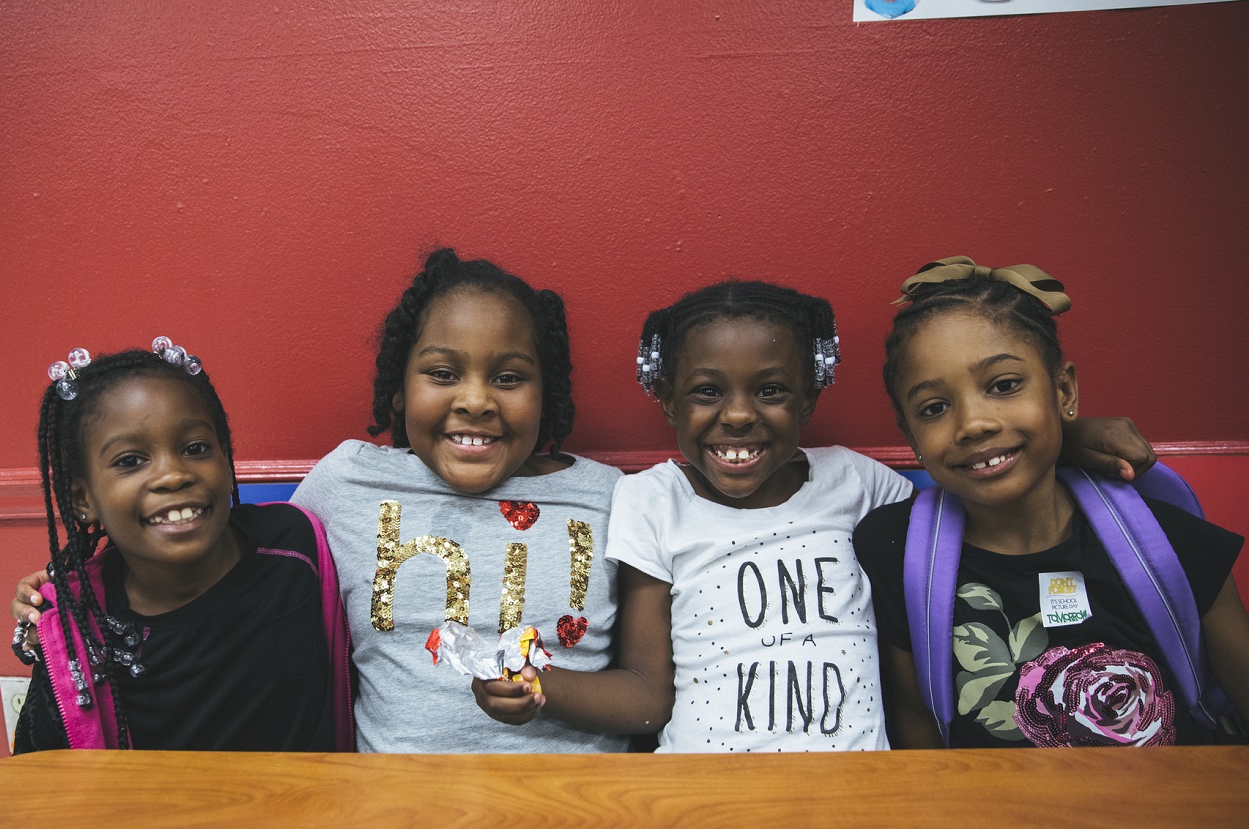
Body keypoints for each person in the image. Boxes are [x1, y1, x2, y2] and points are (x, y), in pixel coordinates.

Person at [474, 279, 1155, 752]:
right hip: (705, 792)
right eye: (708, 391)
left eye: (770, 390)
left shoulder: (856, 483)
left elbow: (977, 486)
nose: (738, 414)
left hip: (855, 793)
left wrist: (1064, 440)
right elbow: (648, 696)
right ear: (668, 401)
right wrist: (541, 688)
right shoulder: (653, 499)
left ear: (808, 397)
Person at [0, 341, 352, 829]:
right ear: (82, 499)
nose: (173, 473)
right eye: (131, 460)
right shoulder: (78, 630)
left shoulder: (296, 549)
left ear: (227, 461)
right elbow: (39, 774)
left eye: (196, 448)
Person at [852, 256, 1249, 748]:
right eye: (934, 408)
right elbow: (918, 729)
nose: (974, 423)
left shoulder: (1171, 542)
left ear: (1064, 390)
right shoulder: (893, 549)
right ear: (911, 437)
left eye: (1004, 385)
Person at [289, 248, 628, 753]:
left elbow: (648, 689)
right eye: (443, 374)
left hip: (574, 806)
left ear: (545, 392)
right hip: (401, 810)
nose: (475, 401)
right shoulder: (346, 483)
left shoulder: (609, 497)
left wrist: (537, 689)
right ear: (400, 389)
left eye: (509, 378)